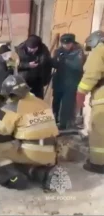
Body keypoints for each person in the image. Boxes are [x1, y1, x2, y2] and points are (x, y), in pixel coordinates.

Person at [0, 75, 59, 190]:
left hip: (31, 152)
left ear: (9, 94)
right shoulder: (42, 103)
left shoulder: (10, 107)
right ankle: (44, 174)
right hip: (51, 153)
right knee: (19, 160)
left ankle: (13, 179)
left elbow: (0, 136)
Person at [76, 30, 104, 174]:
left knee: (99, 131)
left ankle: (98, 164)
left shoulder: (99, 51)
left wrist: (81, 92)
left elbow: (91, 75)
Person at [52, 34, 85, 131]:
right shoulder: (58, 51)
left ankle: (64, 124)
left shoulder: (78, 51)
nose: (65, 46)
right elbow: (55, 64)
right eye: (63, 44)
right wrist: (53, 62)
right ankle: (54, 120)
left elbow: (78, 66)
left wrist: (65, 60)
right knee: (56, 102)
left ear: (72, 43)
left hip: (71, 82)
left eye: (68, 44)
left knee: (67, 104)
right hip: (59, 81)